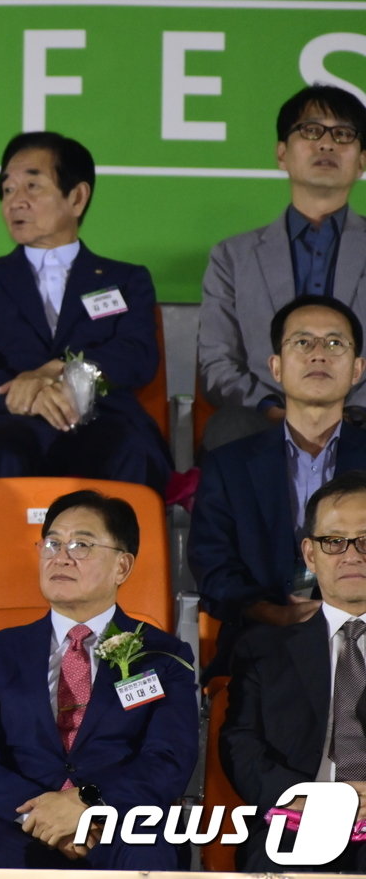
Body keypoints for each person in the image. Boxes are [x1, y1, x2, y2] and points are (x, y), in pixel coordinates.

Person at [0, 490, 198, 870]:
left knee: (149, 855)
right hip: (22, 821)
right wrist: (45, 814)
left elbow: (167, 761)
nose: (61, 557)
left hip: (122, 822)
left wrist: (86, 804)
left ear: (122, 567)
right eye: (52, 543)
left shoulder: (163, 655)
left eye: (81, 544)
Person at [0, 131, 170, 492]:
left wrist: (63, 373)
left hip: (105, 421)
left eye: (31, 187)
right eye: (7, 190)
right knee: (6, 451)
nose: (15, 202)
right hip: (11, 423)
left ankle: (117, 552)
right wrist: (28, 394)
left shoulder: (125, 279)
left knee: (128, 451)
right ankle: (15, 552)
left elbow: (137, 355)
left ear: (77, 197)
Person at [191, 295, 366, 677]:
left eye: (335, 343)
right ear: (276, 367)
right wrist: (272, 613)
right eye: (302, 342)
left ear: (357, 369)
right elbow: (213, 568)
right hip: (263, 643)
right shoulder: (229, 465)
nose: (319, 354)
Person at [199, 84, 366, 450]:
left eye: (343, 134)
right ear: (281, 154)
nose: (326, 144)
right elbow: (217, 365)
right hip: (263, 415)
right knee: (228, 432)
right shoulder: (232, 256)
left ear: (362, 160)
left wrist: (348, 411)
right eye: (310, 130)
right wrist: (275, 408)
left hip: (361, 417)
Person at [221, 470, 366, 871]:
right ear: (309, 554)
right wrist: (302, 796)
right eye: (334, 542)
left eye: (365, 541)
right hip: (299, 821)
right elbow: (240, 744)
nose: (352, 554)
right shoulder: (263, 649)